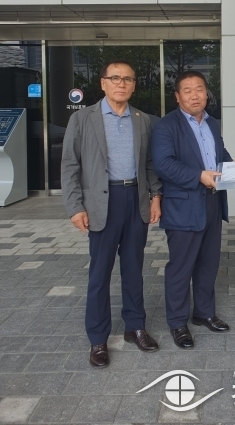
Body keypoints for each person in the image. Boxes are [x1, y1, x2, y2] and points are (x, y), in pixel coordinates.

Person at [61, 60, 162, 368]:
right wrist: (75, 207)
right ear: (103, 83)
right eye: (115, 78)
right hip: (101, 203)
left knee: (133, 269)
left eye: (127, 79)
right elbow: (70, 165)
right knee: (100, 273)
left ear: (133, 85)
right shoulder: (83, 119)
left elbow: (149, 164)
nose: (121, 83)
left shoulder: (143, 120)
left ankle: (135, 326)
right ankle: (98, 338)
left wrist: (156, 196)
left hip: (135, 199)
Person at [151, 70, 232, 349]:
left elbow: (219, 156)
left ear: (206, 93)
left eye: (199, 89)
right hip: (183, 205)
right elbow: (164, 164)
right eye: (187, 90)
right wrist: (199, 175)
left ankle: (204, 313)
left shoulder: (212, 123)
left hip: (212, 201)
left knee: (209, 263)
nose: (195, 95)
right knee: (181, 267)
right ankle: (177, 322)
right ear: (177, 96)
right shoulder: (166, 126)